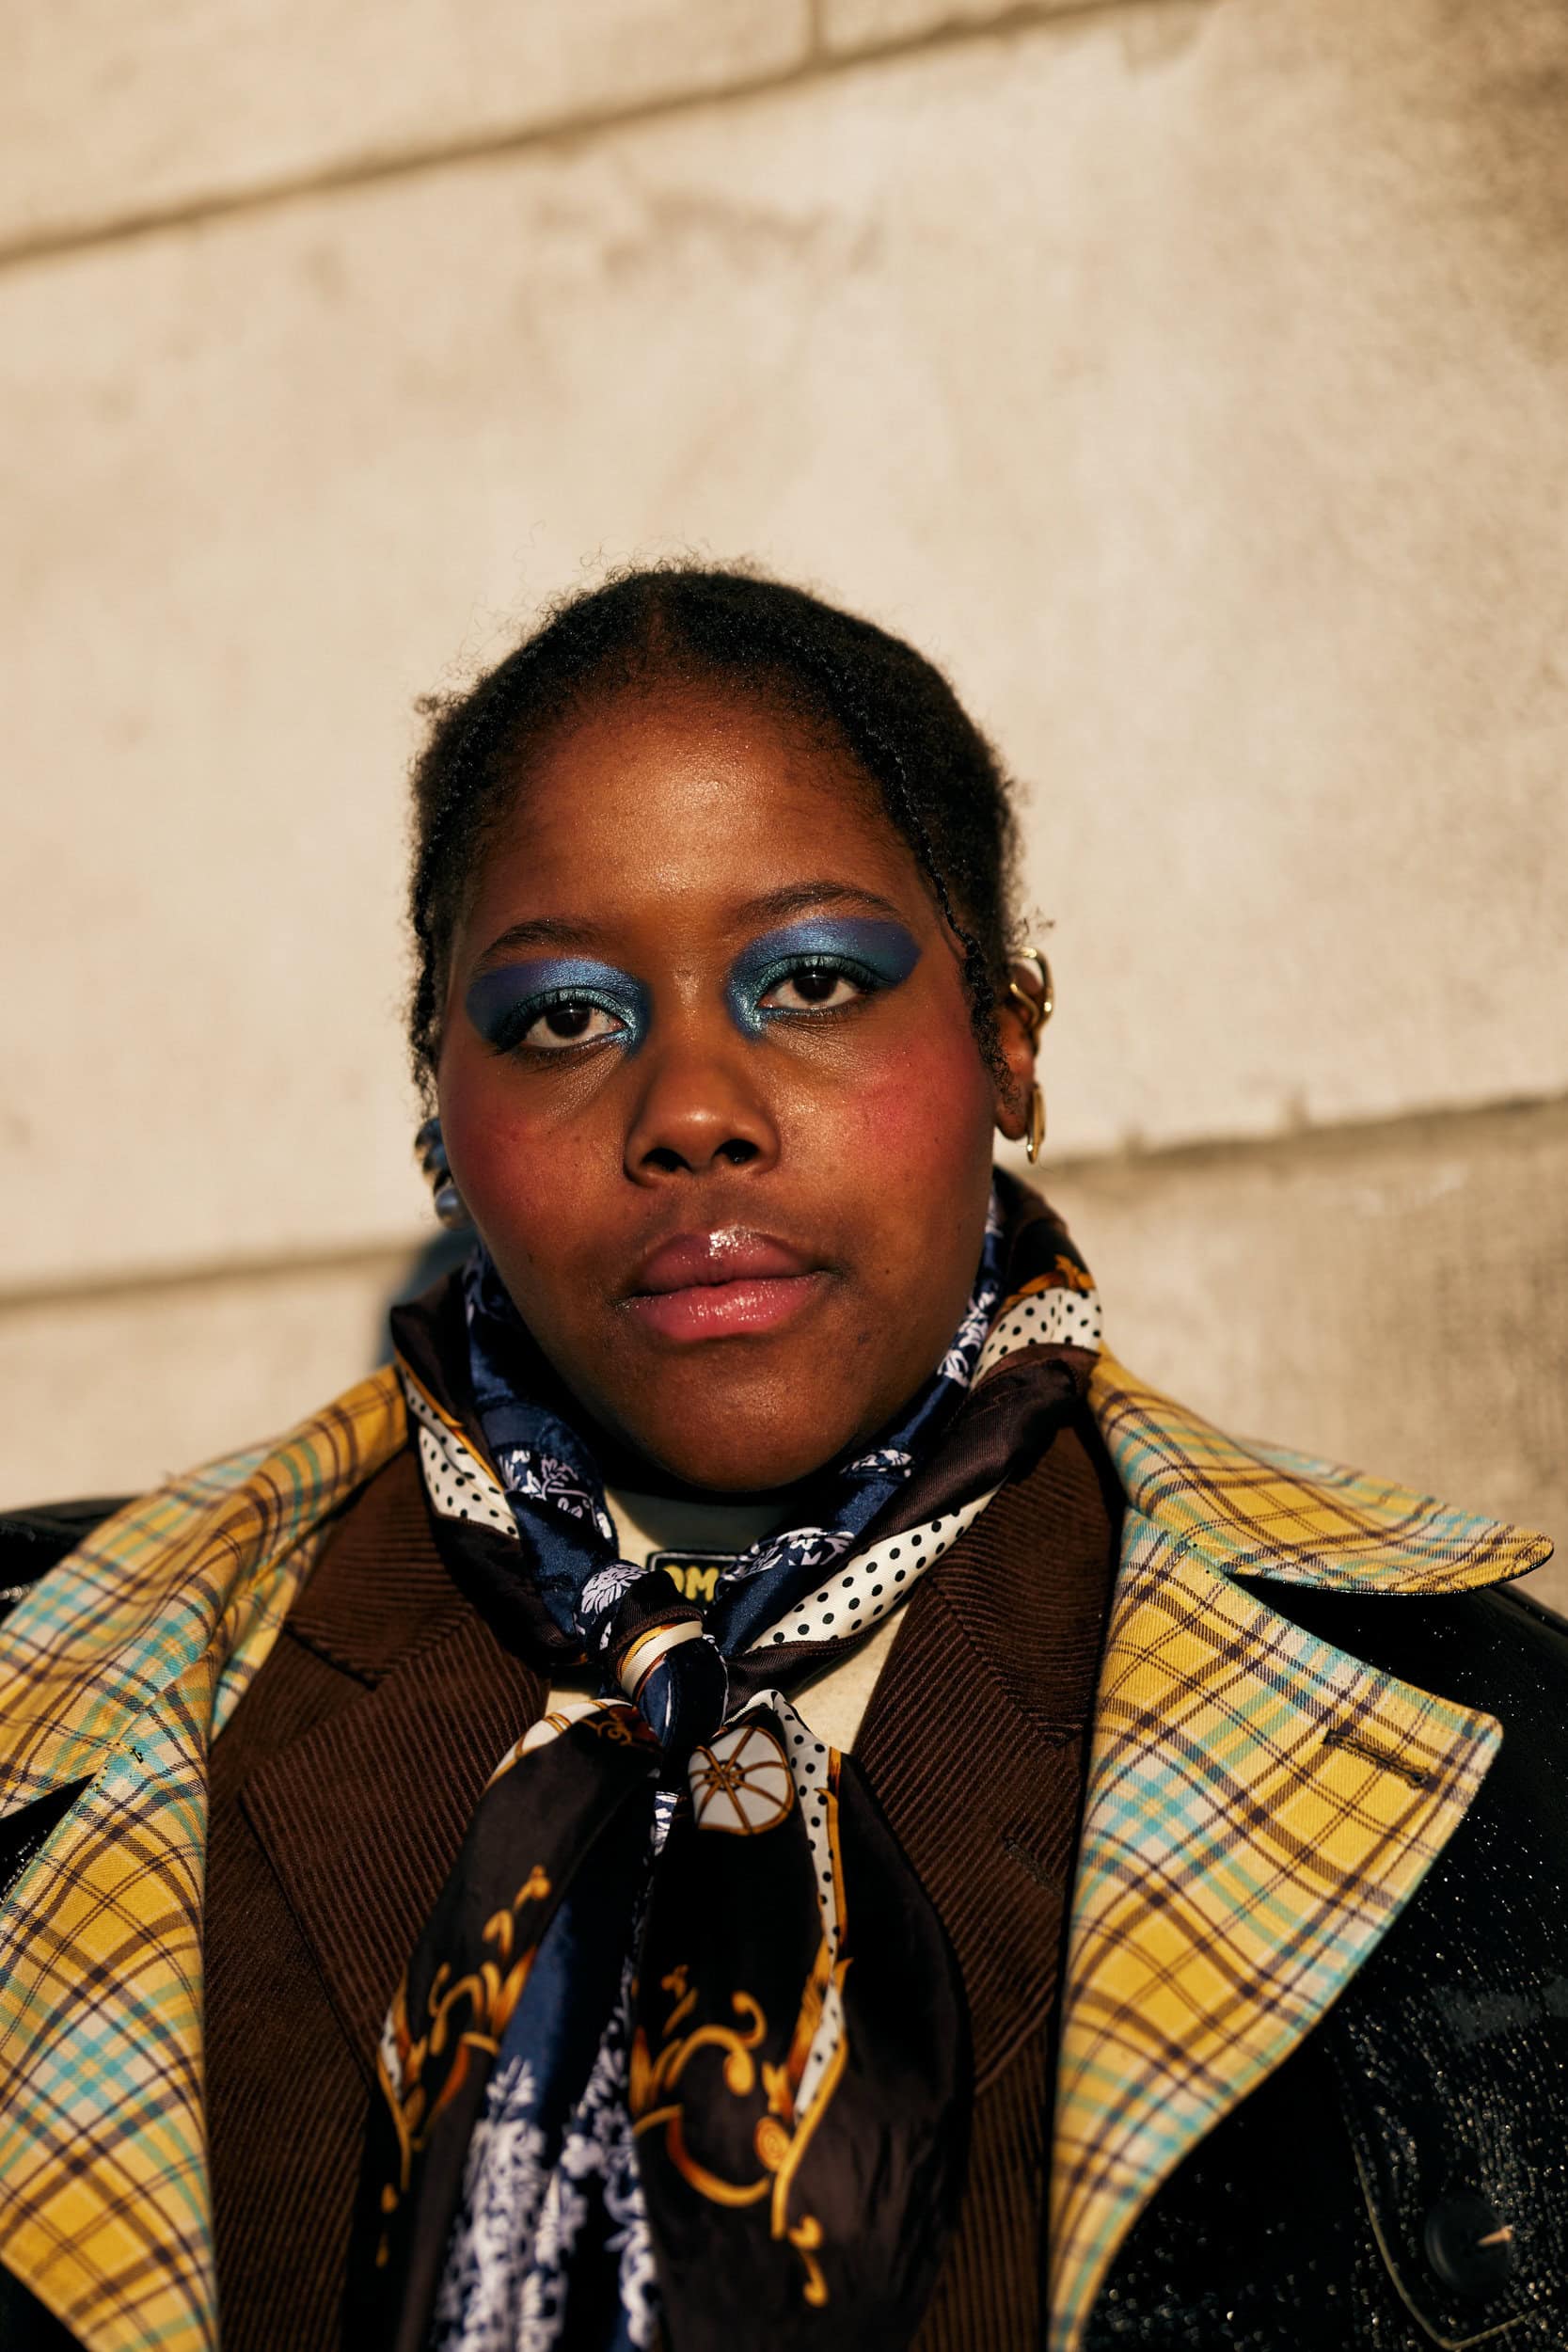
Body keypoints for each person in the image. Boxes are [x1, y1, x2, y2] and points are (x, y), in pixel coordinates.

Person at [0, 567, 1561, 2352]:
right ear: (441, 1110)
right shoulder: (95, 1693)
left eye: (812, 981)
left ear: (1005, 1041)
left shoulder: (1487, 1746)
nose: (690, 1113)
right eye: (565, 1016)